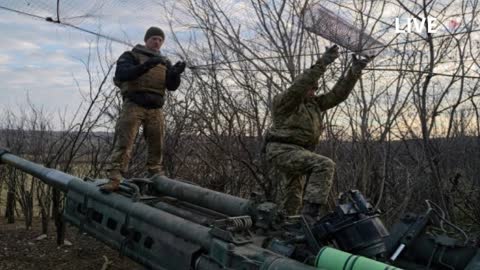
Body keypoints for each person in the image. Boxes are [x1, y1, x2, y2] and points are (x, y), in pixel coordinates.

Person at [264, 45, 373, 217]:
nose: (314, 92)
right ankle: (310, 216)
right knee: (324, 165)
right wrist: (323, 62)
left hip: (300, 152)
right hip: (281, 150)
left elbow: (337, 94)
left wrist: (355, 71)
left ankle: (288, 224)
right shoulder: (285, 101)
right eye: (311, 88)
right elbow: (300, 85)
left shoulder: (313, 105)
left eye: (316, 89)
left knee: (293, 196)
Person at [101, 26, 186, 192]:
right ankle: (114, 178)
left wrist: (175, 74)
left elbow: (171, 87)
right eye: (154, 38)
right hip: (134, 105)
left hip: (155, 109)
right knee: (125, 142)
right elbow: (122, 75)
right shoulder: (130, 55)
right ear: (146, 40)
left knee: (157, 145)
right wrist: (146, 65)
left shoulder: (164, 62)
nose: (157, 42)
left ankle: (156, 177)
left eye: (160, 40)